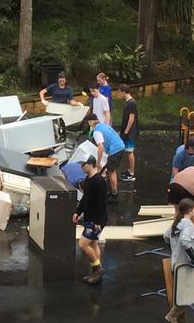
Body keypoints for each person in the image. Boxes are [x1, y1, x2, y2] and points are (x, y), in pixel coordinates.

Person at [72, 155, 108, 285]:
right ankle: (96, 272)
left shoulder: (99, 181)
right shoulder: (88, 179)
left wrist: (98, 222)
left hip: (95, 220)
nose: (82, 167)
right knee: (93, 244)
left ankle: (98, 269)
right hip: (90, 217)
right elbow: (85, 199)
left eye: (84, 164)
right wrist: (78, 212)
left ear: (91, 164)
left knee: (83, 244)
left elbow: (102, 202)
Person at [163, 198, 194, 323]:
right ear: (190, 210)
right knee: (187, 295)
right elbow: (184, 240)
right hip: (185, 265)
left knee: (180, 294)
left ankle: (181, 320)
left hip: (175, 264)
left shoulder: (176, 222)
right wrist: (193, 256)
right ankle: (172, 315)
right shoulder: (188, 224)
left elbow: (166, 236)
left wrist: (175, 249)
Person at [83, 113, 124, 200]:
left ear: (90, 122)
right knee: (111, 169)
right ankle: (112, 191)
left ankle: (114, 195)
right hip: (120, 146)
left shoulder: (96, 131)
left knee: (110, 171)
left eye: (88, 123)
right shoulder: (103, 125)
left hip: (115, 149)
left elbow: (101, 147)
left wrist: (98, 162)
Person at [118, 84, 138, 182]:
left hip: (130, 132)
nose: (119, 94)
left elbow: (131, 118)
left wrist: (126, 132)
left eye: (119, 92)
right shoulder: (128, 102)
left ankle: (132, 174)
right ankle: (130, 170)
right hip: (127, 131)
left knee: (130, 152)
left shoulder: (131, 103)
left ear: (124, 92)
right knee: (128, 152)